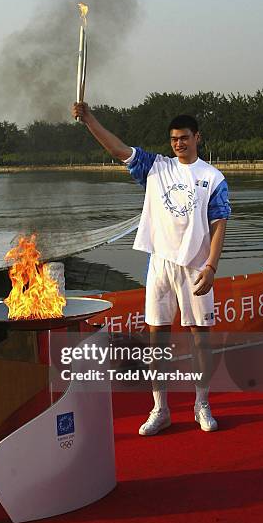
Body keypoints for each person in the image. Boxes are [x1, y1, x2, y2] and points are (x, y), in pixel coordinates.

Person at [71, 102, 231, 435]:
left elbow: (219, 224)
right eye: (174, 139)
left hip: (197, 267)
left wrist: (212, 266)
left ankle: (202, 403)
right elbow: (118, 150)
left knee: (200, 338)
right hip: (160, 263)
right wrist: (89, 120)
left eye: (185, 138)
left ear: (197, 137)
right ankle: (161, 408)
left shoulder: (212, 178)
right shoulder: (156, 167)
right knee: (158, 338)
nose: (179, 144)